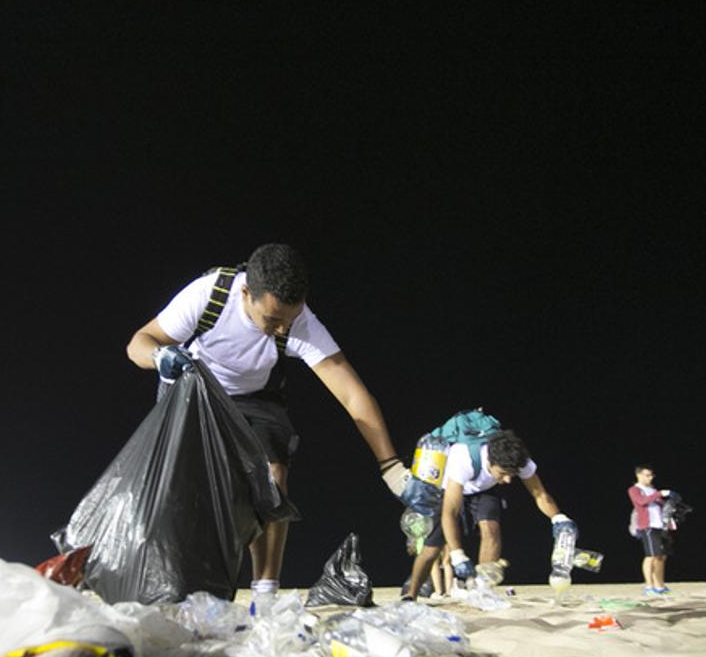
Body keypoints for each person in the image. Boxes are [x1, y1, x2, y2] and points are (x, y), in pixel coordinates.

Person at [127, 244, 409, 602]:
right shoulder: (209, 294)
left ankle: (265, 591)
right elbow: (138, 342)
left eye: (289, 321)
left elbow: (353, 395)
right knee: (189, 491)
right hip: (196, 388)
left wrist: (391, 466)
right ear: (246, 293)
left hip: (255, 396)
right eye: (273, 321)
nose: (282, 328)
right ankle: (182, 584)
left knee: (273, 475)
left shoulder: (299, 321)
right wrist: (159, 354)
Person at [402, 430, 574, 601]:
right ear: (490, 462)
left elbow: (540, 495)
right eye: (503, 473)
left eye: (511, 474)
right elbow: (450, 514)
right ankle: (411, 594)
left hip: (485, 489)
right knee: (432, 547)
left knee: (491, 529)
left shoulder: (520, 460)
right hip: (449, 489)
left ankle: (482, 590)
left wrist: (559, 517)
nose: (508, 480)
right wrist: (457, 554)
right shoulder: (464, 459)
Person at [628, 466, 672, 596]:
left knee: (661, 557)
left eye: (651, 475)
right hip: (647, 526)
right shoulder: (634, 489)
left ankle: (660, 586)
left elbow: (660, 505)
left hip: (660, 526)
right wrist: (659, 494)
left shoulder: (652, 489)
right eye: (647, 475)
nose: (650, 477)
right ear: (639, 475)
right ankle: (649, 587)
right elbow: (641, 502)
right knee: (650, 556)